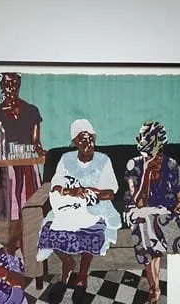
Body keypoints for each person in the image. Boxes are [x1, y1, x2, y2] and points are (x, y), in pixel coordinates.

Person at [124, 120, 180, 304]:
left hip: (165, 208)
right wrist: (146, 173)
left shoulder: (171, 164)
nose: (154, 156)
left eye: (157, 151)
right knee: (145, 221)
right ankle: (154, 288)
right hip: (138, 209)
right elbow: (139, 202)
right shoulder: (133, 164)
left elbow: (179, 196)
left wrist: (179, 205)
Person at [35, 118, 119, 288]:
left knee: (92, 231)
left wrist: (89, 192)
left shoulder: (103, 160)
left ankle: (82, 274)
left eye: (90, 138)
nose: (88, 142)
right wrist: (72, 192)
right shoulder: (66, 159)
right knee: (49, 228)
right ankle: (68, 262)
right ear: (74, 142)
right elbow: (56, 186)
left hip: (96, 206)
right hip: (69, 206)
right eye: (82, 139)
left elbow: (110, 193)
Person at [0, 72, 44, 255]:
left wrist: (43, 153)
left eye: (15, 82)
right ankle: (10, 253)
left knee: (28, 211)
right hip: (5, 170)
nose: (11, 86)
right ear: (1, 85)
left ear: (19, 84)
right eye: (7, 83)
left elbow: (36, 144)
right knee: (7, 213)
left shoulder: (31, 111)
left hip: (27, 168)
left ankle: (28, 250)